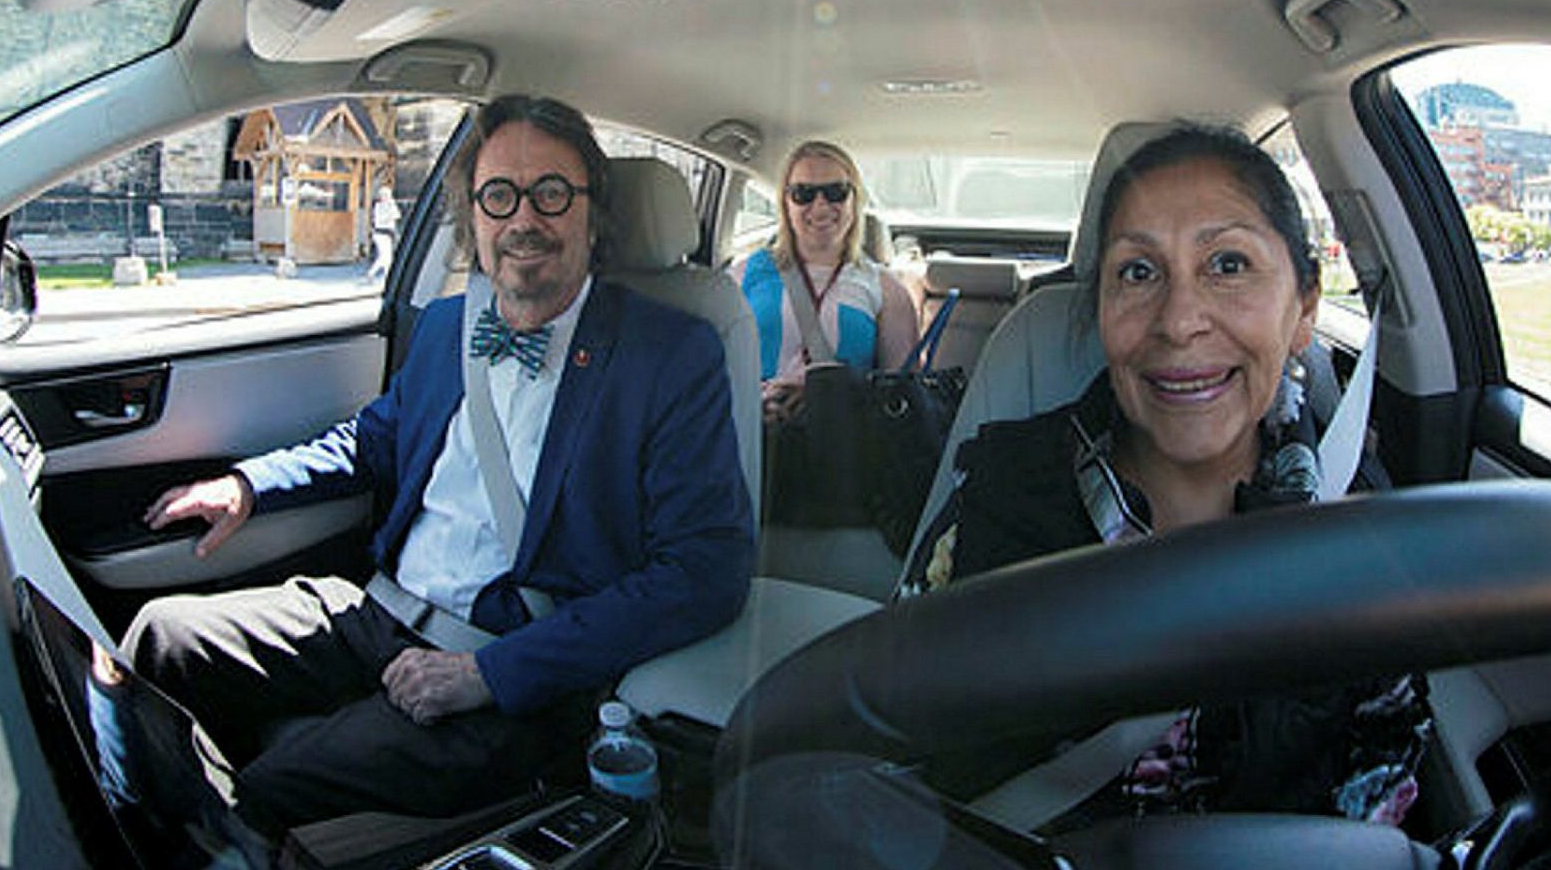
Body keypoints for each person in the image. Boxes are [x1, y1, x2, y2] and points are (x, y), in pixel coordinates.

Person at [122, 94, 755, 838]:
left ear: (592, 214)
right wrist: (249, 485)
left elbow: (706, 568)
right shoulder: (451, 324)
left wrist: (494, 674)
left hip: (509, 663)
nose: (525, 219)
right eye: (499, 195)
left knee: (258, 794)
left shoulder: (671, 354)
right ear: (476, 217)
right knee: (160, 638)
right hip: (374, 614)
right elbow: (373, 440)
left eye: (552, 193)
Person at [908, 125, 1430, 824]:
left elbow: (1386, 775)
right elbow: (905, 730)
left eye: (1228, 264)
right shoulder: (994, 501)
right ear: (1100, 310)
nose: (1179, 322)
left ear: (1303, 309)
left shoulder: (1362, 533)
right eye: (1138, 272)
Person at [731, 141, 919, 423]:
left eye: (836, 193)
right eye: (803, 194)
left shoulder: (887, 289)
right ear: (785, 203)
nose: (820, 206)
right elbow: (707, 372)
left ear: (855, 201)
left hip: (843, 449)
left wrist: (831, 390)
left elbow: (903, 395)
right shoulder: (741, 276)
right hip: (752, 443)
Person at [365, 184, 400, 286]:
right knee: (385, 257)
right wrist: (391, 208)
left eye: (388, 195)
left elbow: (397, 215)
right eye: (385, 195)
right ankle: (373, 273)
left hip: (386, 234)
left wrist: (391, 205)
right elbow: (389, 217)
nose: (387, 197)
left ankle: (384, 277)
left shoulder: (386, 205)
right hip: (381, 233)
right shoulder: (379, 206)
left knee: (386, 257)